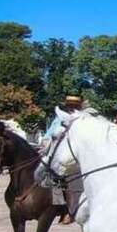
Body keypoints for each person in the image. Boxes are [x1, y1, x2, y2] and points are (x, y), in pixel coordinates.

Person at [44, 94, 83, 224]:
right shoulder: (59, 118)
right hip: (57, 151)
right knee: (51, 176)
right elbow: (50, 133)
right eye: (69, 106)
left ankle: (69, 211)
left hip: (74, 155)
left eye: (74, 106)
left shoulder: (81, 119)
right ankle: (57, 207)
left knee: (70, 180)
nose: (71, 108)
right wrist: (45, 142)